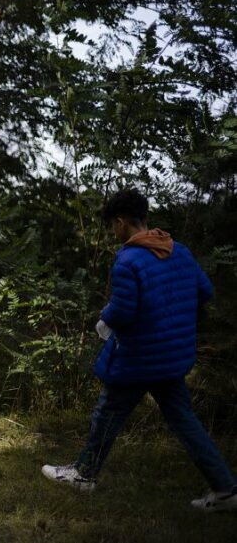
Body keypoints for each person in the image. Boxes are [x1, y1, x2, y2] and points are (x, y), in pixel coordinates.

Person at [43, 189, 237, 511]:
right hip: (172, 359)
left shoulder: (128, 259)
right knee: (184, 420)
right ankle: (225, 489)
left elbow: (122, 312)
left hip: (136, 359)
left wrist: (104, 317)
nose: (113, 233)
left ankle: (83, 475)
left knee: (106, 415)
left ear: (121, 223)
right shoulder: (180, 251)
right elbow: (205, 291)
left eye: (112, 226)